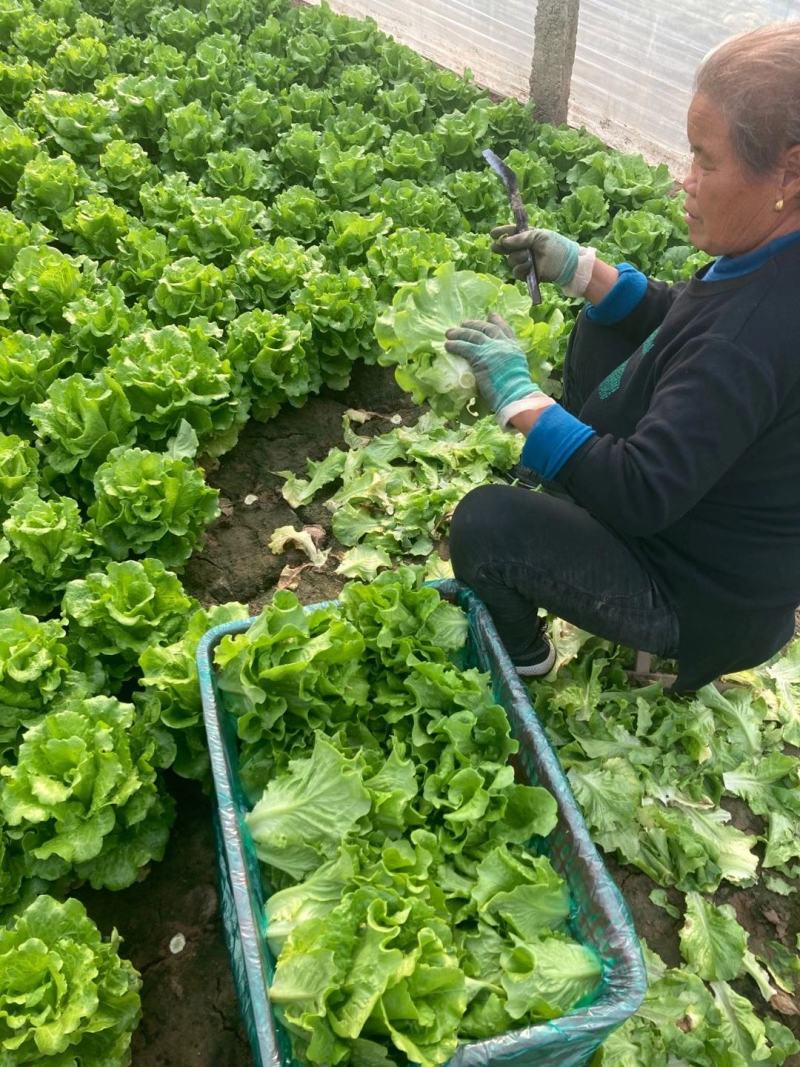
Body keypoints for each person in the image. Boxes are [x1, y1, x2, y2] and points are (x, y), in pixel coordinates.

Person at [445, 22, 800, 691]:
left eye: (706, 162)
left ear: (789, 171)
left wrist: (521, 399)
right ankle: (574, 474)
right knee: (607, 324)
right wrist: (584, 271)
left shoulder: (754, 331)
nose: (683, 181)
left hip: (700, 593)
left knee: (487, 525)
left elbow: (641, 491)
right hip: (711, 524)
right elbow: (690, 324)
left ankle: (526, 662)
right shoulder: (773, 260)